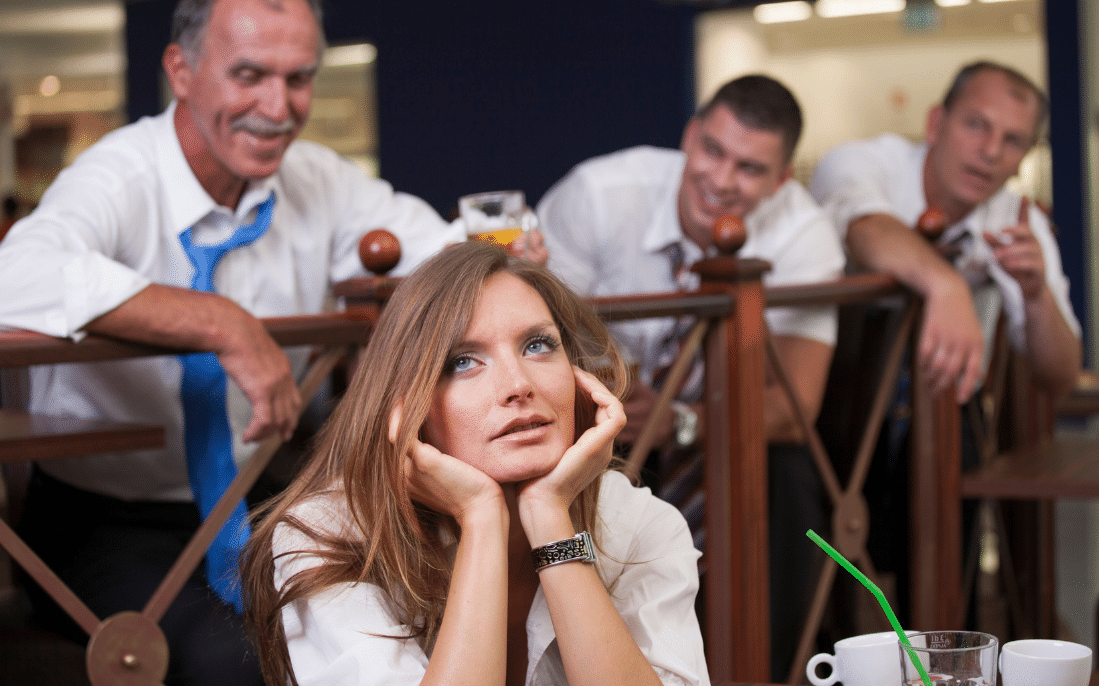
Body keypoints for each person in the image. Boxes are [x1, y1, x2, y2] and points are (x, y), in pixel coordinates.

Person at [0, 0, 532, 683]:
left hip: (267, 496)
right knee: (241, 663)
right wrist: (221, 322)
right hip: (109, 521)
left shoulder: (317, 178)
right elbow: (16, 274)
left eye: (298, 78)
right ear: (180, 71)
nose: (278, 108)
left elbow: (441, 253)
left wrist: (505, 263)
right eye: (249, 75)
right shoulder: (120, 175)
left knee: (396, 625)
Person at [241, 241, 708, 686]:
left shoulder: (637, 525)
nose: (518, 385)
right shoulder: (328, 537)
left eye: (537, 345)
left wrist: (549, 516)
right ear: (407, 404)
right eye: (463, 361)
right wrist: (481, 518)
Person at [536, 73, 844, 679]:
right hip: (592, 420)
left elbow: (794, 407)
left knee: (787, 474)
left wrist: (680, 421)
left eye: (750, 169)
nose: (722, 181)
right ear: (689, 136)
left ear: (782, 179)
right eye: (712, 150)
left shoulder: (805, 238)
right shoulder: (599, 195)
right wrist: (611, 395)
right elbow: (536, 330)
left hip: (716, 433)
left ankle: (765, 670)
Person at [809, 61, 1082, 622]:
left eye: (1013, 141)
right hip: (830, 414)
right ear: (936, 123)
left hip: (944, 421)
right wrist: (946, 282)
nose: (990, 152)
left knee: (956, 472)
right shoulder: (864, 162)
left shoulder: (1017, 219)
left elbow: (1059, 375)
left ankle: (948, 648)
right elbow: (864, 227)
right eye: (976, 125)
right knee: (818, 572)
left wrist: (1036, 294)